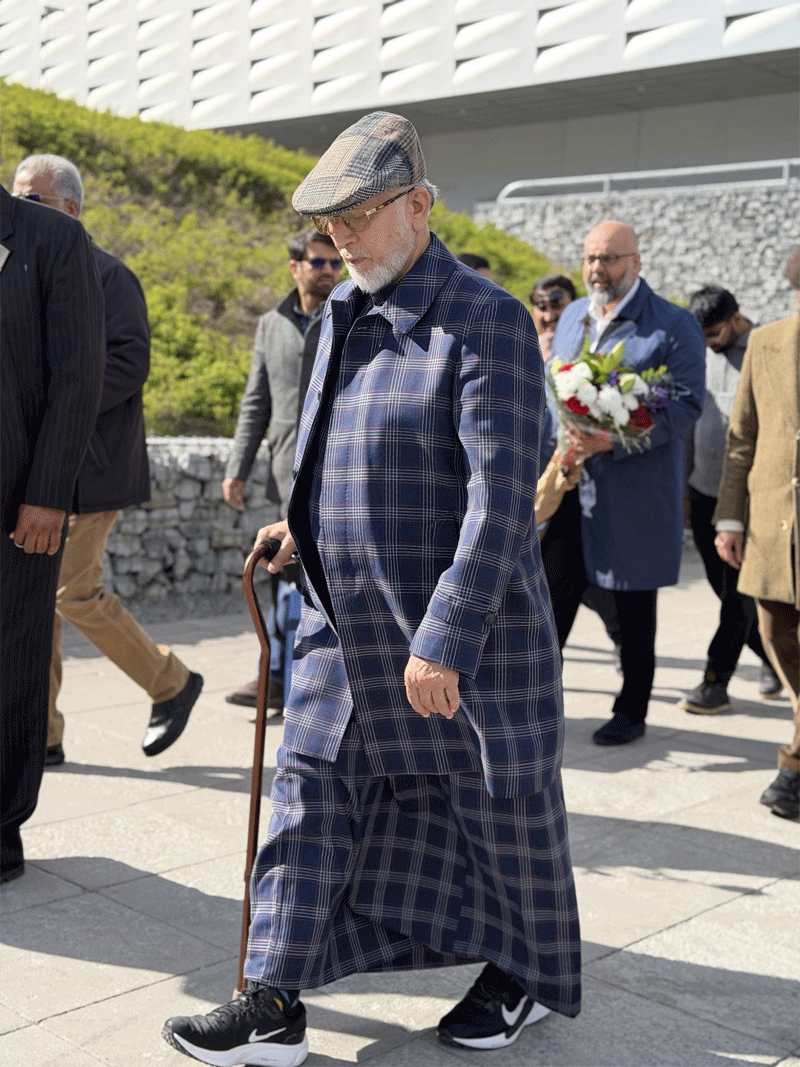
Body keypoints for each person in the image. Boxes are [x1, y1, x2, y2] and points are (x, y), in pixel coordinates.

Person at [162, 110, 580, 1066]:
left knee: (499, 810)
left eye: (358, 214)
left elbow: (501, 498)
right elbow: (322, 455)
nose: (338, 237)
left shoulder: (487, 319)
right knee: (305, 796)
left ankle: (522, 973)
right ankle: (270, 999)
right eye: (329, 221)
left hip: (456, 636)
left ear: (419, 207)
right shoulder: (340, 312)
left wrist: (447, 633)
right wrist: (293, 525)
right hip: (339, 622)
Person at [12, 155, 203, 766]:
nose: (20, 210)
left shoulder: (108, 275)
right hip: (36, 467)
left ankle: (170, 682)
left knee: (71, 593)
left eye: (33, 200)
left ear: (70, 208)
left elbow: (126, 365)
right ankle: (41, 736)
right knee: (34, 601)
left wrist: (53, 403)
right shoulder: (21, 266)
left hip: (88, 469)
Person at [543, 220, 705, 745]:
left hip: (633, 490)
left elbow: (683, 406)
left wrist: (616, 437)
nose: (597, 269)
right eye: (590, 258)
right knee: (550, 598)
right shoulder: (571, 316)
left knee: (634, 609)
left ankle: (631, 710)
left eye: (609, 259)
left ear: (636, 261)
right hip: (571, 484)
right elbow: (555, 387)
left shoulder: (672, 324)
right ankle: (539, 704)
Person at [1, 182, 105, 883]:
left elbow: (78, 376)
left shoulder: (51, 239)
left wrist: (47, 494)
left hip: (16, 505)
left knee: (9, 661)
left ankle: (1, 825)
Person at [222, 230, 341, 713]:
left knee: (321, 584)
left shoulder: (350, 316)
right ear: (295, 267)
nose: (330, 271)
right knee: (278, 576)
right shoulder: (271, 324)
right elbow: (257, 401)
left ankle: (309, 687)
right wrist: (238, 468)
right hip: (282, 476)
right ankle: (276, 677)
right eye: (319, 263)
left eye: (336, 263)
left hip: (333, 474)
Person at [714, 247, 800, 820]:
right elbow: (743, 436)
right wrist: (730, 515)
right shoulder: (767, 342)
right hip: (773, 525)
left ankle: (793, 764)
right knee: (776, 633)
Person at [679, 285, 781, 714]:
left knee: (738, 594)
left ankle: (715, 682)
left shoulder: (766, 352)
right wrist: (683, 490)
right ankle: (776, 659)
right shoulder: (699, 353)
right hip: (703, 493)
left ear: (737, 318)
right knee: (727, 594)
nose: (708, 342)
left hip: (747, 504)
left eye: (715, 333)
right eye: (701, 334)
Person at [531, 273, 623, 665]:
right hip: (532, 489)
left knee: (572, 584)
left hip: (576, 488)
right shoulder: (517, 350)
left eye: (558, 303)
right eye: (541, 304)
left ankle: (624, 638)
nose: (549, 313)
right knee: (555, 589)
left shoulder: (590, 355)